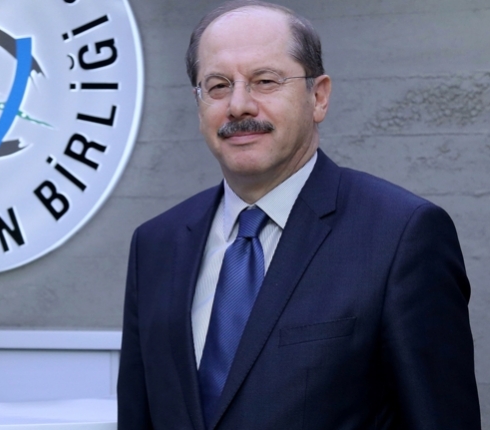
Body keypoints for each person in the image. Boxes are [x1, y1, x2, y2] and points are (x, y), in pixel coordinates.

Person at [116, 1, 481, 429]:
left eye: (265, 81)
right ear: (199, 105)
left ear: (318, 97)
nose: (238, 105)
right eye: (217, 86)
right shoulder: (156, 245)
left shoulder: (401, 236)